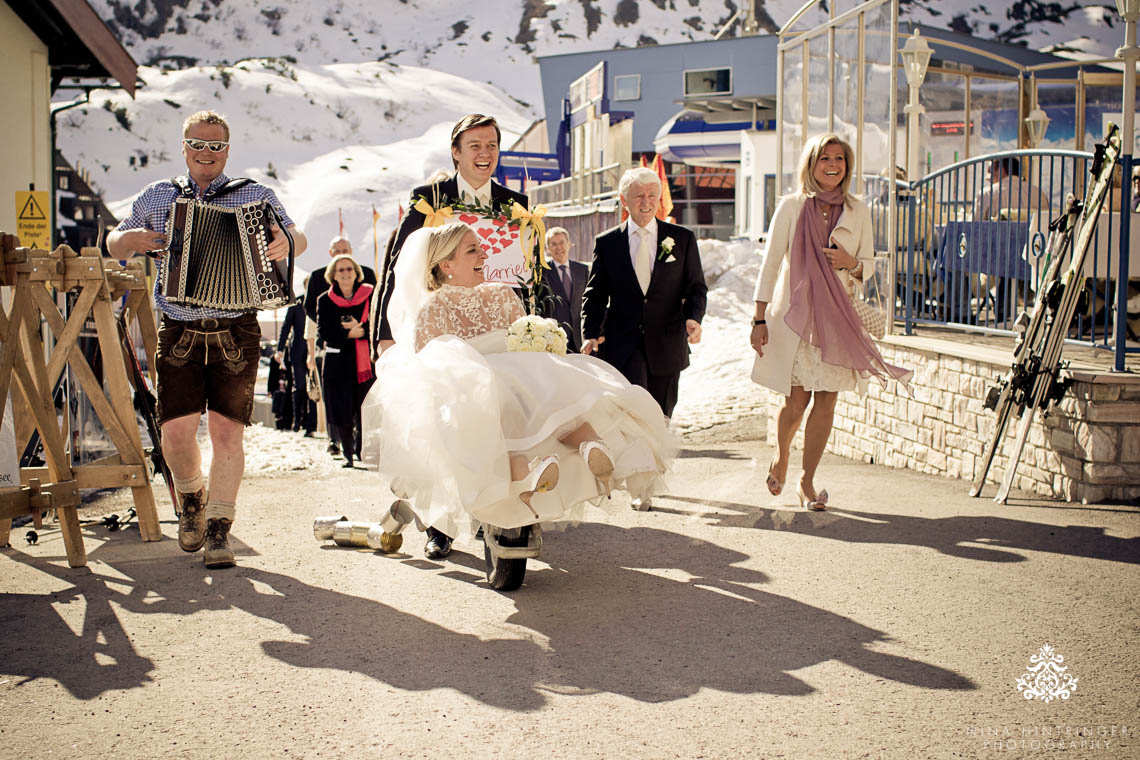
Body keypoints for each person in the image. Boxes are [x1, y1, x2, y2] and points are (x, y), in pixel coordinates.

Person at [364, 222, 672, 560]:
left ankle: (529, 471)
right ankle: (588, 441)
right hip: (516, 382)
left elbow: (431, 369)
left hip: (483, 389)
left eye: (481, 246)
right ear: (445, 265)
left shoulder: (437, 308)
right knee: (553, 401)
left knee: (499, 410)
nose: (484, 253)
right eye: (472, 250)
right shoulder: (495, 294)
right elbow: (515, 341)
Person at [107, 109, 308, 568]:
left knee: (226, 433)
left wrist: (286, 242)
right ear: (184, 146)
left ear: (228, 151)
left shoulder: (253, 195)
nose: (207, 153)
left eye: (216, 146)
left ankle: (219, 530)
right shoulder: (159, 196)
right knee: (175, 434)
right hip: (178, 327)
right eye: (198, 144)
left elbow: (296, 234)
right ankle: (192, 496)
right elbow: (113, 242)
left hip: (236, 327)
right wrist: (128, 241)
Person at [749, 133, 910, 511]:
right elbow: (770, 265)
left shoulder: (859, 210)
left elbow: (868, 266)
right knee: (796, 401)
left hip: (837, 320)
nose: (833, 165)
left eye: (839, 158)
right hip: (796, 320)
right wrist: (758, 319)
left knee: (827, 401)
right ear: (811, 162)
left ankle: (807, 481)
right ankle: (782, 453)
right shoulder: (791, 207)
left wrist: (849, 263)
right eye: (825, 158)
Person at [580, 167, 706, 505]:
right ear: (625, 201)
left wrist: (694, 319)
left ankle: (653, 470)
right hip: (623, 344)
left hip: (667, 341)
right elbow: (595, 294)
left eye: (653, 195)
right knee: (636, 412)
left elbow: (696, 288)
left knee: (662, 412)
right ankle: (642, 486)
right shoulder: (607, 243)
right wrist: (590, 334)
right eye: (639, 195)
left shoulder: (681, 239)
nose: (647, 202)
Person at [374, 114, 528, 354]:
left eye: (492, 146)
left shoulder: (516, 203)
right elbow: (398, 266)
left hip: (502, 327)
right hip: (441, 327)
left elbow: (528, 272)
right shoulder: (429, 198)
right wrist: (385, 335)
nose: (485, 154)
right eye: (474, 146)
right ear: (456, 152)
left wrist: (537, 326)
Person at [304, 236, 376, 458]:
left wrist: (362, 330)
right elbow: (312, 313)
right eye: (337, 252)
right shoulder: (318, 280)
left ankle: (361, 444)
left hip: (364, 356)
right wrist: (345, 332)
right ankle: (337, 441)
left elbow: (378, 313)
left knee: (362, 404)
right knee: (337, 403)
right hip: (334, 352)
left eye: (345, 251)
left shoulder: (369, 279)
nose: (345, 272)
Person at [275, 277, 316, 436]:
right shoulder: (296, 303)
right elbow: (286, 326)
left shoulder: (319, 301)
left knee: (312, 387)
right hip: (297, 350)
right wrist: (280, 349)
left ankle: (310, 426)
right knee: (299, 387)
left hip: (313, 351)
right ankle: (297, 420)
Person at [538, 226, 588, 352]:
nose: (558, 247)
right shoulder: (542, 272)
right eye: (553, 244)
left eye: (561, 242)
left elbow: (591, 300)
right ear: (548, 248)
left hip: (581, 338)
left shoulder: (582, 269)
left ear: (569, 244)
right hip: (555, 339)